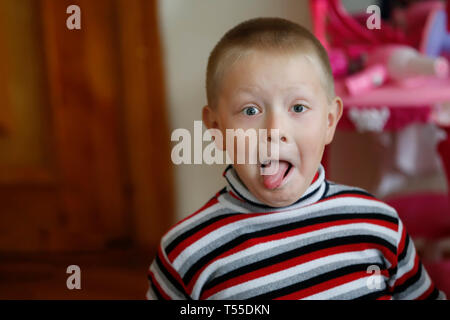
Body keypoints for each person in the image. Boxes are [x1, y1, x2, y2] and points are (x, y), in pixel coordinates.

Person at [146, 17, 446, 300]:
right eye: (250, 111)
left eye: (298, 108)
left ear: (329, 122)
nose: (275, 131)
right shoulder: (185, 254)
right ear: (217, 128)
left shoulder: (379, 223)